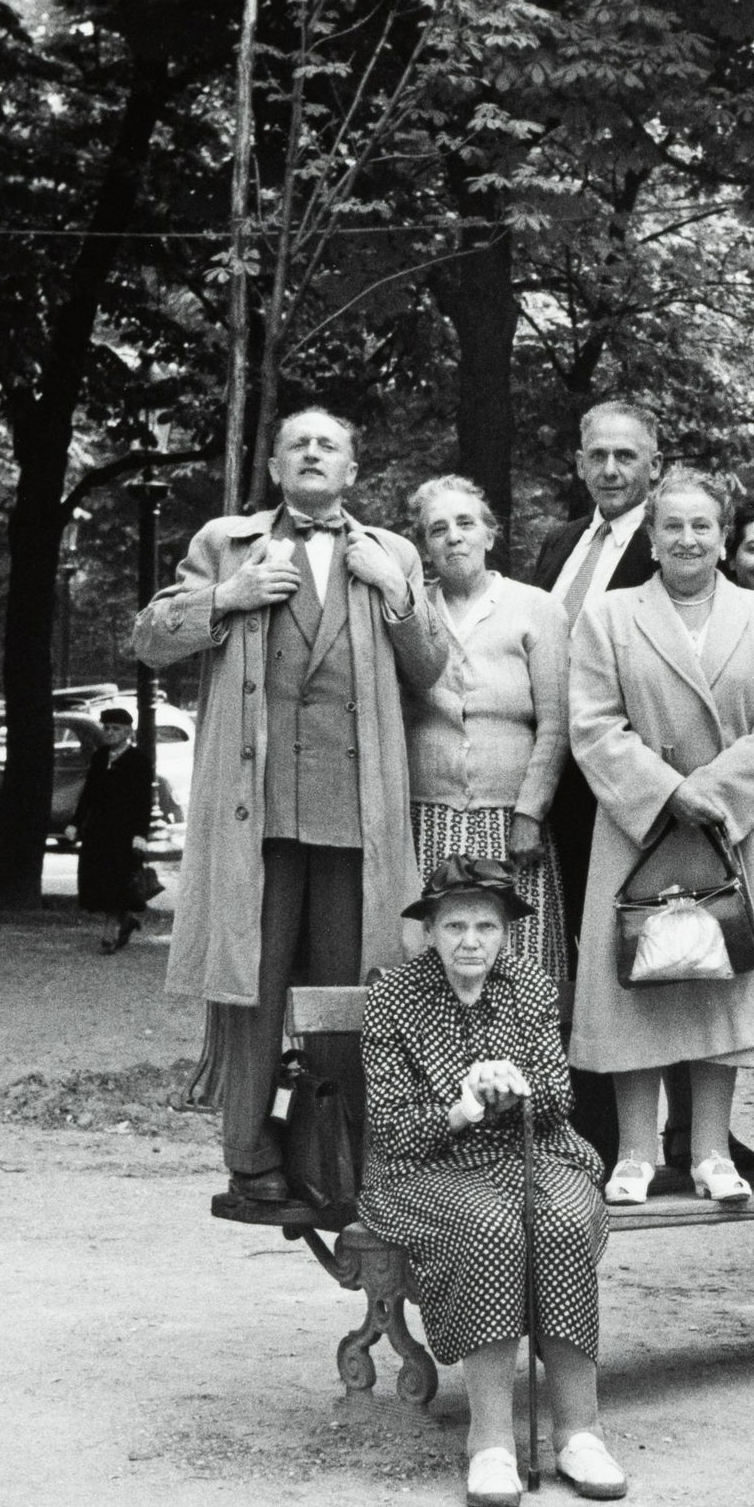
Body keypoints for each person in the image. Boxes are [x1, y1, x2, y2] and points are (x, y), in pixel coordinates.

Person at [133, 406, 447, 1207]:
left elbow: (432, 666)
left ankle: (341, 1150)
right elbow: (149, 638)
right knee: (252, 980)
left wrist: (397, 597)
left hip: (356, 815)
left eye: (329, 445)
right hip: (257, 813)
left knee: (355, 985)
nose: (313, 453)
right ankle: (246, 1150)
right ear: (274, 468)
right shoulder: (225, 544)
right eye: (297, 444)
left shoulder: (391, 552)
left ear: (351, 471)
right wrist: (229, 597)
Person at [567, 469, 754, 1205]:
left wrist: (717, 792)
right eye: (672, 525)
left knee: (718, 978)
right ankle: (636, 1152)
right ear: (652, 534)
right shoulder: (608, 616)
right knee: (640, 980)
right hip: (640, 824)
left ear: (724, 535)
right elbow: (593, 724)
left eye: (702, 525)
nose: (687, 539)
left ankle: (708, 1150)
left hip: (732, 826)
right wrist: (671, 790)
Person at [357, 858, 622, 1507]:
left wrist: (517, 1089)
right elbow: (391, 1129)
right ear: (429, 933)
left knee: (559, 1217)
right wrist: (464, 1105)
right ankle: (492, 1442)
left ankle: (579, 1432)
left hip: (530, 1150)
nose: (469, 939)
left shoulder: (528, 985)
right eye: (453, 925)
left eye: (484, 925)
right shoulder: (394, 996)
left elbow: (561, 1097)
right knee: (489, 1226)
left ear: (505, 933)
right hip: (425, 1168)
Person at [532, 401, 662, 1161]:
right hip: (556, 775)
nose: (611, 470)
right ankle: (583, 1126)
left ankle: (648, 1134)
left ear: (653, 463)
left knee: (637, 945)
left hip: (625, 772)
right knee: (570, 949)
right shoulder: (559, 542)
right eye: (598, 455)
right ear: (580, 461)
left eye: (627, 456)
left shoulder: (664, 540)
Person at [404, 476, 571, 985]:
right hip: (427, 818)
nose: (453, 536)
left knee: (521, 962)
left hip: (511, 824)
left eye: (465, 523)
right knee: (438, 960)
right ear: (424, 547)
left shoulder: (536, 608)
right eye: (438, 529)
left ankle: (520, 1067)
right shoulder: (410, 612)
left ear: (489, 535)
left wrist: (530, 813)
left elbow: (556, 724)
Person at [66, 705, 160, 953]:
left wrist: (140, 834)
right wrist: (75, 823)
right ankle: (125, 921)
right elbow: (88, 793)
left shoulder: (138, 761)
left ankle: (110, 934)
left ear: (128, 731)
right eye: (106, 728)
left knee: (117, 882)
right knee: (96, 881)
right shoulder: (99, 757)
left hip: (124, 832)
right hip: (97, 830)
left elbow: (143, 801)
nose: (109, 733)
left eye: (116, 729)